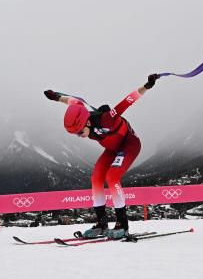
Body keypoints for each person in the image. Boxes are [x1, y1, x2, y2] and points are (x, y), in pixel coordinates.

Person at [44, 74, 158, 239]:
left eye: (80, 132)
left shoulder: (107, 119)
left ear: (87, 123)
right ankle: (102, 223)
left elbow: (127, 101)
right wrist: (55, 96)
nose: (80, 136)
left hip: (129, 146)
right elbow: (70, 100)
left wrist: (147, 85)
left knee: (112, 177)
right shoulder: (80, 110)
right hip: (112, 149)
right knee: (96, 177)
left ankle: (122, 224)